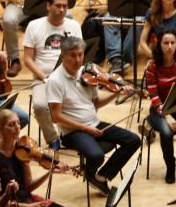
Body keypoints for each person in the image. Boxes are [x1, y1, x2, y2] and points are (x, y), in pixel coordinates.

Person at [47, 36, 141, 195]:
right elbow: (56, 116)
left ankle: (101, 177)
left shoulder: (88, 73)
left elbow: (96, 103)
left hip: (93, 124)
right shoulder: (55, 81)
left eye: (80, 54)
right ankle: (90, 174)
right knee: (96, 155)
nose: (78, 60)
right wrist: (85, 128)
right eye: (72, 55)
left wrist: (116, 92)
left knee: (133, 140)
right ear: (63, 56)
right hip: (73, 132)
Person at [23, 0, 82, 147]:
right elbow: (27, 59)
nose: (62, 9)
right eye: (58, 5)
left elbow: (80, 55)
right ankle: (53, 139)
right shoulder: (34, 26)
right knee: (40, 105)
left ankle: (74, 137)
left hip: (68, 77)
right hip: (43, 78)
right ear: (48, 6)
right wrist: (44, 77)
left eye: (65, 6)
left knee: (85, 101)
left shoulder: (74, 26)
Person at [145, 30, 176, 184]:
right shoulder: (152, 65)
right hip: (159, 110)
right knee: (166, 133)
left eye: (173, 43)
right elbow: (154, 96)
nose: (170, 46)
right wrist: (166, 114)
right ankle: (170, 167)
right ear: (159, 45)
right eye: (166, 43)